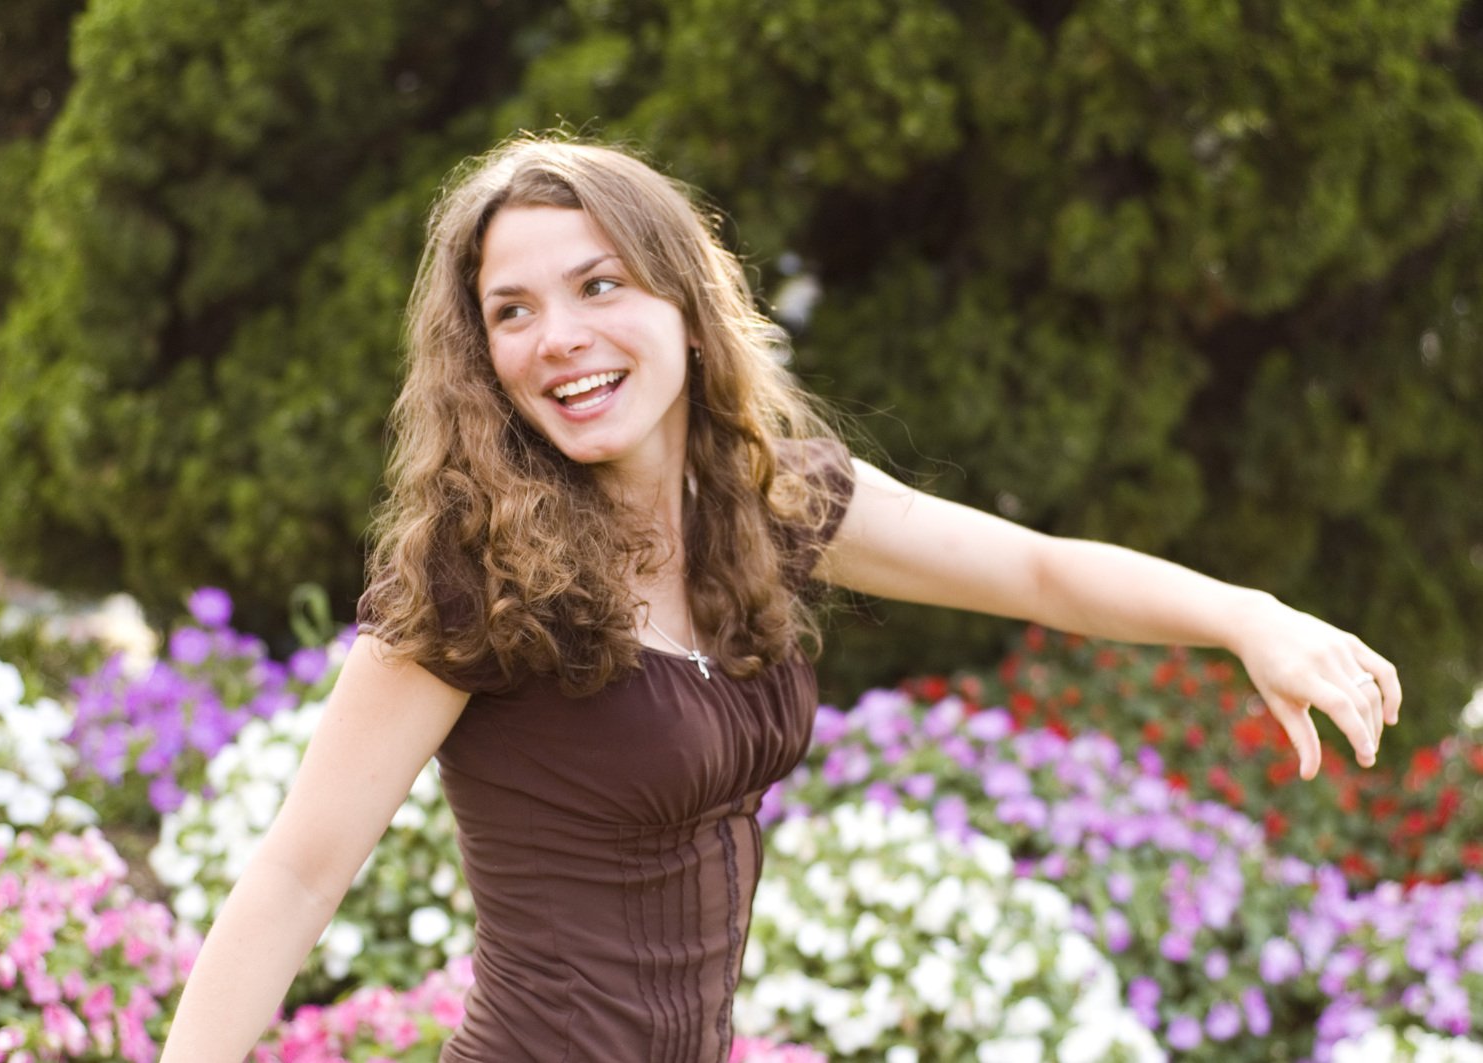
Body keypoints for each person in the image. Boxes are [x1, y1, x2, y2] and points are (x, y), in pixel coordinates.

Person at [159, 135, 1401, 1061]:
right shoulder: (475, 580)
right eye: (512, 311)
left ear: (685, 308)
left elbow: (1034, 569)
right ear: (481, 358)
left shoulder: (771, 502)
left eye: (602, 286)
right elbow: (295, 878)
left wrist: (1250, 614)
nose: (560, 337)